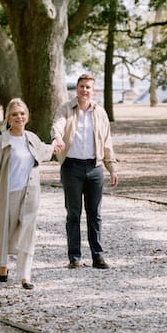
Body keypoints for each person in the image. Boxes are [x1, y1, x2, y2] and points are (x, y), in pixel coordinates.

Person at [0, 98, 57, 290]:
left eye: (22, 113)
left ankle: (26, 276)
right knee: (5, 232)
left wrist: (54, 146)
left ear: (27, 116)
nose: (19, 117)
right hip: (7, 194)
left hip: (30, 194)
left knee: (28, 233)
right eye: (15, 114)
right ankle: (3, 266)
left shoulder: (32, 138)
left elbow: (44, 151)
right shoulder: (3, 140)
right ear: (8, 118)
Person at [51, 73, 119, 269]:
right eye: (81, 86)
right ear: (77, 88)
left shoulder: (100, 112)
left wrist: (111, 168)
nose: (84, 90)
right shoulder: (66, 109)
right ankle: (74, 257)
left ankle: (98, 256)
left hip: (95, 168)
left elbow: (107, 141)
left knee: (95, 214)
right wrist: (57, 137)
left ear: (93, 90)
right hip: (71, 167)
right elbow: (58, 124)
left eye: (88, 87)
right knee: (73, 214)